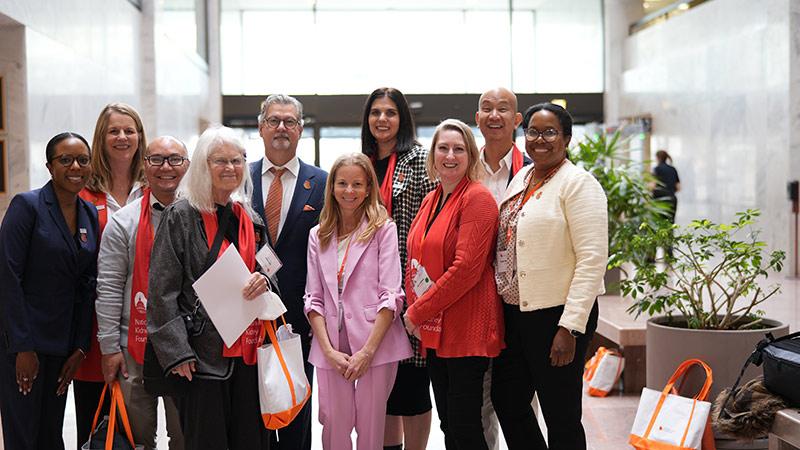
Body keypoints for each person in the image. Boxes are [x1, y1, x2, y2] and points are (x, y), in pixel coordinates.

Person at [491, 103, 608, 450]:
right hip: (516, 313)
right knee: (508, 399)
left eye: (550, 132)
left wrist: (569, 327)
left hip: (557, 316)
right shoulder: (521, 178)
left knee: (561, 414)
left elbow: (592, 259)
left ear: (567, 138)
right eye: (532, 131)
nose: (540, 139)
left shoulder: (578, 184)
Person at [147, 126, 271, 450]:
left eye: (237, 160)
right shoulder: (180, 216)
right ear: (203, 165)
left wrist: (266, 281)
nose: (230, 168)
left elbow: (271, 271)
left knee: (251, 441)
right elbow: (161, 290)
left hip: (249, 354)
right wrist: (177, 353)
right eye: (221, 161)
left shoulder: (251, 219)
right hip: (200, 359)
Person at [403, 119, 504, 450]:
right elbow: (414, 257)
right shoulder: (432, 199)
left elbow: (466, 270)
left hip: (466, 328)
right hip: (436, 329)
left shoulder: (478, 198)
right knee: (449, 422)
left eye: (458, 149)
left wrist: (417, 311)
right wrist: (417, 311)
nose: (450, 155)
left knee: (464, 426)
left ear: (471, 156)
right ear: (432, 155)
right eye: (443, 148)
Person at [304, 153, 413, 449]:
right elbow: (312, 299)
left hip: (375, 343)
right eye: (342, 183)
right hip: (330, 344)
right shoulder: (318, 235)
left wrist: (367, 352)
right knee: (333, 427)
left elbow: (391, 295)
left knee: (371, 430)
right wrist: (328, 350)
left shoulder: (383, 229)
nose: (349, 191)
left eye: (357, 184)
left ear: (368, 189)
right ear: (332, 188)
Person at [0, 132, 99, 449]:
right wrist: (22, 347)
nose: (76, 167)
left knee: (51, 437)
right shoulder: (27, 206)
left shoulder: (89, 214)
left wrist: (81, 346)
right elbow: (7, 276)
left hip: (63, 348)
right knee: (24, 436)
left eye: (83, 160)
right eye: (66, 159)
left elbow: (87, 284)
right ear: (49, 165)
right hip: (24, 348)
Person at [95, 137, 190, 450]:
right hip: (132, 347)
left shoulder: (200, 219)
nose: (166, 168)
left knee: (186, 438)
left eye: (175, 159)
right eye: (157, 159)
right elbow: (108, 287)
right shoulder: (124, 222)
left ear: (188, 166)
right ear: (145, 166)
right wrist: (109, 347)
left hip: (185, 348)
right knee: (137, 440)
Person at [360, 87, 437, 450]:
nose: (382, 119)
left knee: (412, 380)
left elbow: (435, 218)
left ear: (402, 118)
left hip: (409, 286)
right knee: (381, 382)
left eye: (390, 112)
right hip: (366, 289)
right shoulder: (361, 162)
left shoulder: (420, 160)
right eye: (376, 112)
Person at [250, 94, 327, 450]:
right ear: (261, 127)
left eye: (290, 122)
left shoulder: (324, 183)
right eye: (274, 121)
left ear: (300, 129)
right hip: (247, 313)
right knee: (251, 410)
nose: (282, 128)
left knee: (296, 406)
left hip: (299, 316)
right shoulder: (240, 177)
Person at [75, 102, 148, 446]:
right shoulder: (82, 193)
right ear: (100, 139)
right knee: (97, 422)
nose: (122, 137)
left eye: (129, 130)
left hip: (146, 325)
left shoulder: (155, 189)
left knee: (140, 424)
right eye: (113, 131)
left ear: (140, 137)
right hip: (95, 326)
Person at [474, 86, 532, 450]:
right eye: (486, 109)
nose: (494, 115)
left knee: (519, 400)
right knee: (478, 400)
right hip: (474, 299)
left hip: (523, 302)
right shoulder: (461, 169)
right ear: (476, 118)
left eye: (503, 109)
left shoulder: (534, 170)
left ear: (517, 119)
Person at [652, 149, 680, 224]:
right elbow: (678, 188)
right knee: (670, 224)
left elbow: (653, 186)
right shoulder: (673, 169)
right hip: (672, 199)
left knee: (660, 225)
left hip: (659, 200)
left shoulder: (656, 169)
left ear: (657, 158)